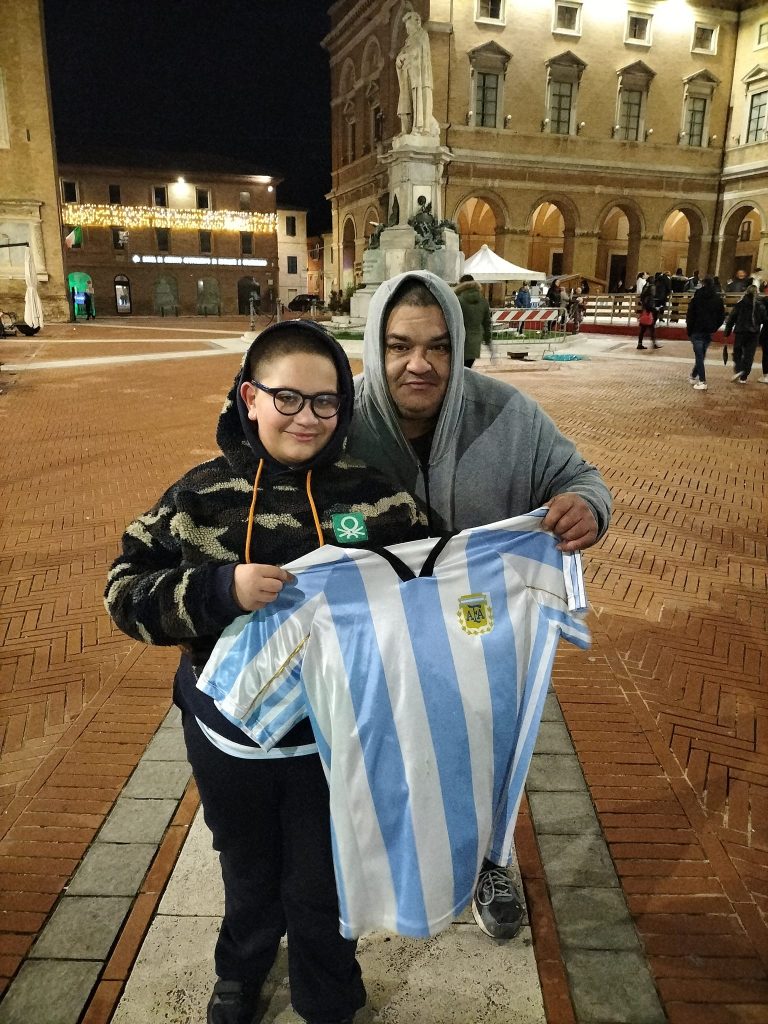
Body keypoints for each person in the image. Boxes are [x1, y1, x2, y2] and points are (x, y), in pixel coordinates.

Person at [104, 321, 427, 1024]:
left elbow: (435, 587)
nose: (306, 417)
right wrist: (221, 591)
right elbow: (123, 594)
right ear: (249, 397)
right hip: (227, 740)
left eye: (325, 402)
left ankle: (329, 989)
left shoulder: (380, 499)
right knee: (248, 869)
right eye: (287, 397)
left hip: (333, 739)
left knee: (323, 875)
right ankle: (240, 971)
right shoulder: (196, 499)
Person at [345, 270, 612, 943]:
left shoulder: (508, 415)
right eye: (400, 345)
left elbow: (578, 477)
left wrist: (589, 508)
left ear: (458, 347)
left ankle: (491, 860)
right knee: (378, 753)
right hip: (376, 642)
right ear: (374, 345)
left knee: (488, 753)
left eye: (437, 347)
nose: (419, 364)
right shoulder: (338, 422)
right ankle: (371, 865)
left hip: (479, 635)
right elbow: (264, 457)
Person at [395, 6, 437, 136]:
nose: (407, 30)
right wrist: (399, 59)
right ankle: (408, 129)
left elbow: (417, 51)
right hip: (410, 76)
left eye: (409, 27)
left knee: (419, 100)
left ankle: (418, 128)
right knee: (407, 101)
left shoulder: (422, 35)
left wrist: (406, 56)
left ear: (416, 23)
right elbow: (403, 53)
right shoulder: (408, 40)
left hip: (420, 77)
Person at [685, 276, 725, 391]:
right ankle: (693, 375)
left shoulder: (696, 298)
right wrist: (714, 327)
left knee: (699, 355)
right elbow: (721, 317)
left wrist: (689, 330)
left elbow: (690, 316)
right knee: (701, 355)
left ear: (702, 284)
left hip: (696, 330)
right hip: (709, 331)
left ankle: (702, 380)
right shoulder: (718, 299)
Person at [724, 284, 767, 384]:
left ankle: (739, 369)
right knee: (749, 354)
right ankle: (744, 376)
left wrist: (727, 331)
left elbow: (732, 318)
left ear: (746, 292)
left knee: (738, 352)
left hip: (740, 331)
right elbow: (765, 319)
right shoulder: (760, 305)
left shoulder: (740, 304)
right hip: (754, 333)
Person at [454, 273, 491, 368]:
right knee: (467, 370)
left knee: (456, 373)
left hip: (458, 343)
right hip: (474, 344)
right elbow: (487, 323)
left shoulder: (457, 300)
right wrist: (488, 340)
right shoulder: (483, 301)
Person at [637, 277, 661, 350]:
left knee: (643, 330)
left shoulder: (645, 292)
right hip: (648, 314)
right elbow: (649, 306)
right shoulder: (650, 296)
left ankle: (640, 344)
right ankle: (654, 344)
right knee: (651, 328)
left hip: (644, 313)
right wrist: (655, 309)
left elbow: (643, 302)